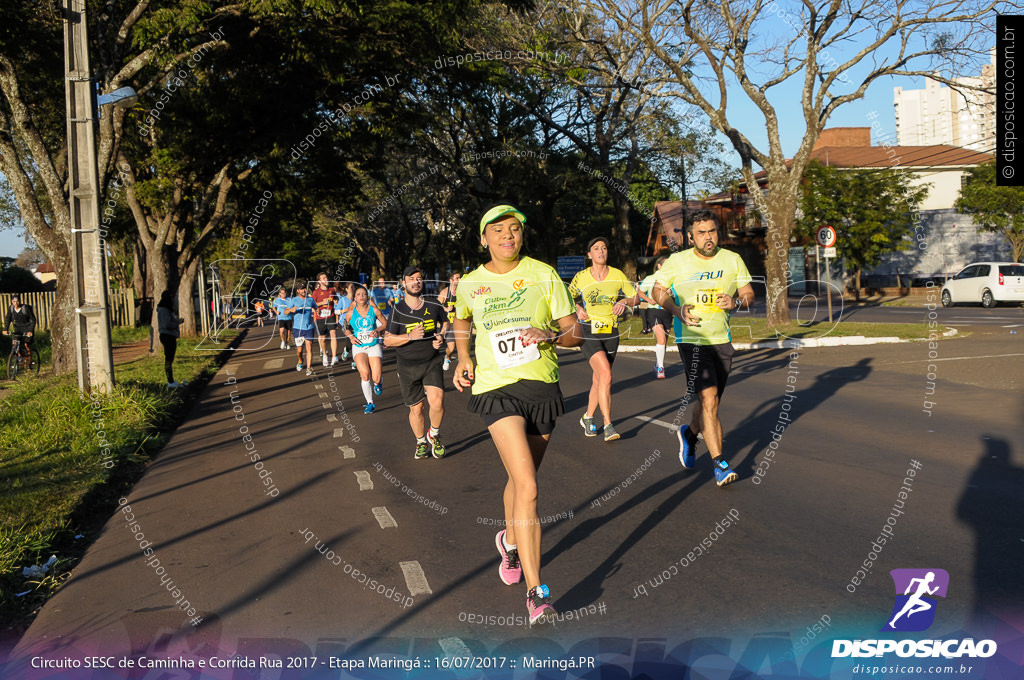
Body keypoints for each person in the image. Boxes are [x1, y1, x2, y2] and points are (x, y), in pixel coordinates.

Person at [453, 203, 582, 625]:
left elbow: (575, 334)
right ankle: (536, 592)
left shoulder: (545, 274)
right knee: (527, 486)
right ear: (484, 238)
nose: (508, 236)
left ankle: (509, 539)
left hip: (542, 388)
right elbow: (462, 321)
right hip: (496, 388)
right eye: (499, 231)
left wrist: (550, 333)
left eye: (514, 230)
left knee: (519, 478)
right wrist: (462, 357)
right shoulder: (471, 283)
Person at [652, 209, 754, 486]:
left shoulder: (732, 259)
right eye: (701, 233)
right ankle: (720, 463)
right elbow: (657, 291)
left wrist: (736, 303)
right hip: (692, 340)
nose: (708, 237)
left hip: (722, 340)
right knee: (709, 399)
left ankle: (689, 433)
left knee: (710, 400)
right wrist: (675, 309)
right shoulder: (677, 261)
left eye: (712, 231)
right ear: (690, 236)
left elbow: (748, 294)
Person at [568, 236, 639, 442]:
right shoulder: (581, 277)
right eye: (596, 248)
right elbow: (566, 296)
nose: (601, 251)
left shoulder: (617, 275)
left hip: (611, 331)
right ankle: (608, 423)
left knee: (599, 378)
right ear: (589, 254)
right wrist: (576, 307)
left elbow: (635, 297)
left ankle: (587, 417)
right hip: (588, 329)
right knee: (606, 374)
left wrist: (624, 301)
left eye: (605, 248)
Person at [384, 266, 449, 459]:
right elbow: (387, 340)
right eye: (411, 278)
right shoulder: (397, 309)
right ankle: (421, 442)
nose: (416, 281)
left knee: (437, 402)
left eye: (419, 278)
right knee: (417, 409)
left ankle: (434, 435)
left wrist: (441, 337)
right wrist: (409, 336)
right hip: (407, 366)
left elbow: (445, 323)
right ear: (404, 283)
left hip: (431, 361)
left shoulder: (434, 305)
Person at [344, 286, 385, 413]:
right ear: (355, 298)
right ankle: (370, 403)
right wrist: (351, 337)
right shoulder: (350, 313)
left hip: (373, 345)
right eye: (358, 294)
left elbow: (385, 323)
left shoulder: (374, 310)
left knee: (376, 378)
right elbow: (344, 328)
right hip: (359, 346)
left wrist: (377, 330)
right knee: (365, 374)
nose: (361, 296)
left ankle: (378, 383)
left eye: (364, 294)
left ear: (367, 297)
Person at [637, 256, 671, 379]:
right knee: (661, 338)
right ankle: (661, 368)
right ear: (659, 266)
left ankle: (658, 364)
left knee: (664, 341)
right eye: (666, 264)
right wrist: (648, 300)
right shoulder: (651, 278)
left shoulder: (672, 279)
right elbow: (640, 291)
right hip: (654, 311)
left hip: (667, 312)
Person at [156, 290, 185, 388]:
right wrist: (178, 323)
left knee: (170, 358)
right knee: (168, 359)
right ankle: (170, 381)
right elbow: (167, 324)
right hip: (167, 335)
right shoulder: (163, 310)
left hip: (170, 335)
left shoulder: (167, 310)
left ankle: (171, 380)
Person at [288, 283, 317, 375]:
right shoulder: (294, 300)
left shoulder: (310, 299)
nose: (304, 290)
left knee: (309, 348)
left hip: (309, 327)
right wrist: (290, 310)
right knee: (299, 350)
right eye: (301, 289)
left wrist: (318, 310)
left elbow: (315, 308)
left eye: (305, 288)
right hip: (298, 328)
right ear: (298, 291)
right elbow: (285, 311)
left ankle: (309, 368)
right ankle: (300, 360)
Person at [311, 272, 339, 367]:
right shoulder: (316, 292)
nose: (326, 279)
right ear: (319, 281)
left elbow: (336, 298)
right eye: (323, 278)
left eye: (326, 277)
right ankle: (325, 355)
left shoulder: (332, 290)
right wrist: (322, 302)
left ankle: (334, 357)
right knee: (323, 339)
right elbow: (312, 304)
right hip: (320, 317)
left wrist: (335, 300)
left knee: (333, 334)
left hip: (331, 316)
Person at [437, 271, 461, 371]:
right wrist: (446, 309)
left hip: (460, 323)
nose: (460, 280)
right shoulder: (445, 293)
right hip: (449, 324)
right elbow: (436, 307)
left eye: (460, 278)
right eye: (457, 278)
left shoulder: (462, 291)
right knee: (451, 348)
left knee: (462, 348)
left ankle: (462, 367)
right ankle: (447, 358)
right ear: (451, 280)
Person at [3, 295, 37, 360]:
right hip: (18, 329)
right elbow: (8, 319)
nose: (16, 303)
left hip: (27, 328)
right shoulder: (11, 309)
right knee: (15, 345)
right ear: (12, 302)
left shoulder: (25, 308)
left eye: (17, 301)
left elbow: (33, 320)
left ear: (20, 301)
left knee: (26, 345)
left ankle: (29, 363)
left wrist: (30, 330)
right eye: (14, 301)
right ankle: (19, 359)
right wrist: (5, 329)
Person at [334, 282, 354, 363]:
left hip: (354, 323)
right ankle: (346, 350)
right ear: (346, 289)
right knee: (350, 340)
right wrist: (345, 310)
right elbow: (336, 311)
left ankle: (354, 361)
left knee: (355, 341)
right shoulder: (343, 299)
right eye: (351, 287)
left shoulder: (356, 299)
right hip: (344, 323)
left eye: (353, 287)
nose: (353, 288)